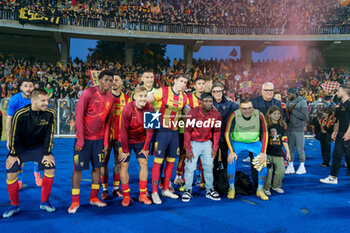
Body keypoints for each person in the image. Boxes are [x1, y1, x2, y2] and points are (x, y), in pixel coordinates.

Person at [3, 89, 56, 218]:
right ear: (33, 101)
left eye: (47, 100)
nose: (46, 103)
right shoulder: (20, 114)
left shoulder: (50, 113)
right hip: (21, 148)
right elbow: (15, 135)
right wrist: (13, 154)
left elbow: (49, 135)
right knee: (11, 171)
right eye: (43, 101)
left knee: (50, 168)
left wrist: (47, 153)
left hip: (38, 147)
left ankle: (45, 201)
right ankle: (14, 205)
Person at [68, 70, 114, 214]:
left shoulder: (111, 98)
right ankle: (75, 201)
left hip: (99, 140)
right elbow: (79, 116)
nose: (108, 83)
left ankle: (93, 198)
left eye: (111, 80)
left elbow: (108, 122)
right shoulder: (88, 93)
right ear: (99, 80)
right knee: (78, 170)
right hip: (83, 140)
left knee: (97, 169)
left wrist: (106, 141)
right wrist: (80, 139)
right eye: (106, 79)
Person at [147, 73, 190, 204]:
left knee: (171, 161)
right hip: (161, 130)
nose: (183, 84)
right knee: (158, 161)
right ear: (175, 81)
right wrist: (150, 121)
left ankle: (165, 189)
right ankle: (154, 191)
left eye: (185, 82)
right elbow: (146, 101)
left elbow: (188, 111)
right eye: (181, 81)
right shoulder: (163, 91)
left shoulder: (184, 98)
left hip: (174, 132)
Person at [225, 99, 269, 201]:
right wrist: (231, 151)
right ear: (240, 109)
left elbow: (265, 133)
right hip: (238, 142)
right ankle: (232, 188)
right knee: (231, 162)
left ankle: (260, 189)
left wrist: (263, 152)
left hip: (254, 142)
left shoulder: (259, 114)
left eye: (250, 108)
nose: (247, 111)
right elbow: (227, 133)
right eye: (244, 109)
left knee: (263, 163)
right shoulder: (234, 115)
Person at [182, 92, 222, 202]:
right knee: (190, 167)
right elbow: (187, 131)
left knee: (209, 167)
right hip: (194, 143)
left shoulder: (216, 114)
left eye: (210, 101)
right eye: (206, 101)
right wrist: (188, 148)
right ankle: (187, 190)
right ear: (201, 102)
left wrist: (215, 148)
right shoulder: (192, 113)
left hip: (207, 143)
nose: (209, 103)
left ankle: (210, 189)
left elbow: (217, 132)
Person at [119, 86, 154, 206]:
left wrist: (146, 148)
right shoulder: (127, 108)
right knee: (124, 165)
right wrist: (124, 149)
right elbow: (123, 130)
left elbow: (150, 130)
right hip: (126, 140)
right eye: (140, 96)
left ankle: (143, 194)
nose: (143, 99)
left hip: (140, 140)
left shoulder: (150, 107)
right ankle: (126, 196)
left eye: (145, 96)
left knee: (144, 164)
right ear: (134, 97)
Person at [6, 79, 42, 189]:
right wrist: (9, 139)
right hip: (19, 132)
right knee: (20, 159)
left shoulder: (38, 99)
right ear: (21, 88)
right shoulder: (14, 100)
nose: (28, 88)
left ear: (34, 87)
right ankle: (19, 179)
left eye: (30, 86)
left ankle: (37, 173)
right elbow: (9, 120)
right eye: (25, 86)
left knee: (39, 155)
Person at [100, 74, 130, 200]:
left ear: (123, 82)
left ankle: (116, 188)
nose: (114, 82)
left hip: (120, 138)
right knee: (103, 162)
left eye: (117, 80)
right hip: (105, 136)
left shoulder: (128, 99)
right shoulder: (104, 97)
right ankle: (105, 189)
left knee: (118, 163)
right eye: (112, 80)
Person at [175, 76, 205, 190]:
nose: (201, 86)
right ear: (195, 86)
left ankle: (203, 181)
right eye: (199, 84)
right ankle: (181, 178)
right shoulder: (188, 98)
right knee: (185, 155)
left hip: (202, 132)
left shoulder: (207, 98)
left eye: (203, 83)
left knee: (202, 157)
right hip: (187, 131)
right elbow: (187, 111)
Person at [320, 85, 350, 184]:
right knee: (337, 154)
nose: (336, 93)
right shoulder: (341, 105)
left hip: (347, 134)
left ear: (344, 92)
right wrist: (335, 131)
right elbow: (338, 121)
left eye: (338, 91)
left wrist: (348, 133)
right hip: (341, 134)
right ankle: (333, 177)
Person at [211, 81, 239, 173]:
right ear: (212, 93)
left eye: (220, 91)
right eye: (215, 91)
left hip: (225, 135)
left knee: (226, 159)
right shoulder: (208, 103)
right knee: (212, 161)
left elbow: (241, 110)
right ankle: (213, 182)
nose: (218, 93)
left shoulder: (230, 104)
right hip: (211, 136)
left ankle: (228, 182)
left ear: (223, 92)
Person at [263, 106, 291, 196]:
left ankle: (276, 186)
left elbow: (284, 139)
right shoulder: (266, 125)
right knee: (269, 171)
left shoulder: (282, 125)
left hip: (278, 153)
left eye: (278, 114)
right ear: (270, 115)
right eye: (274, 114)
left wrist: (288, 151)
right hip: (267, 153)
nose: (277, 116)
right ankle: (266, 187)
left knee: (281, 171)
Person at [285, 88, 308, 175]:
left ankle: (302, 166)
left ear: (294, 94)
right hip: (290, 128)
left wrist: (293, 111)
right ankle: (290, 165)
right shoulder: (288, 102)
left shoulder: (302, 102)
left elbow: (305, 117)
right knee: (290, 148)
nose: (287, 96)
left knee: (299, 148)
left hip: (298, 129)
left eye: (289, 94)